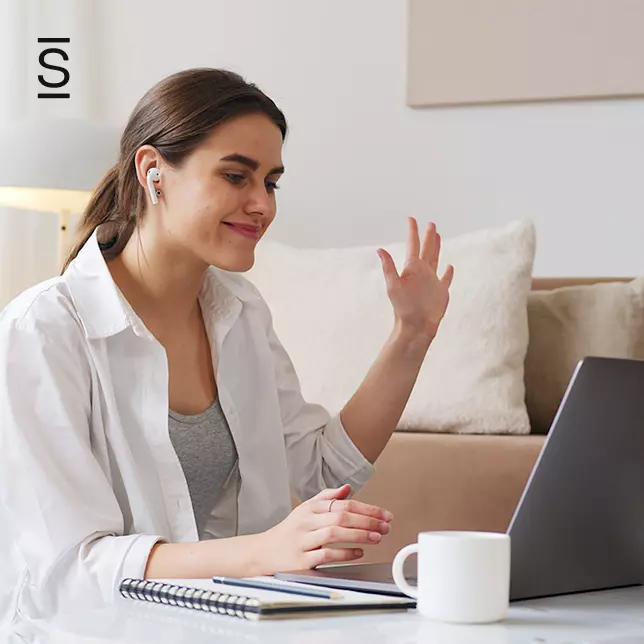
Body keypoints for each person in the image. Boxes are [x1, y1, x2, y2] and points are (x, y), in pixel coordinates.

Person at [0, 67, 454, 624]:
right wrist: (265, 552)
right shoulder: (43, 331)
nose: (262, 203)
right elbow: (71, 570)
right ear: (153, 172)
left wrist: (411, 337)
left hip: (234, 624)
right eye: (236, 177)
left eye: (271, 182)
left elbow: (318, 469)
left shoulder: (240, 312)